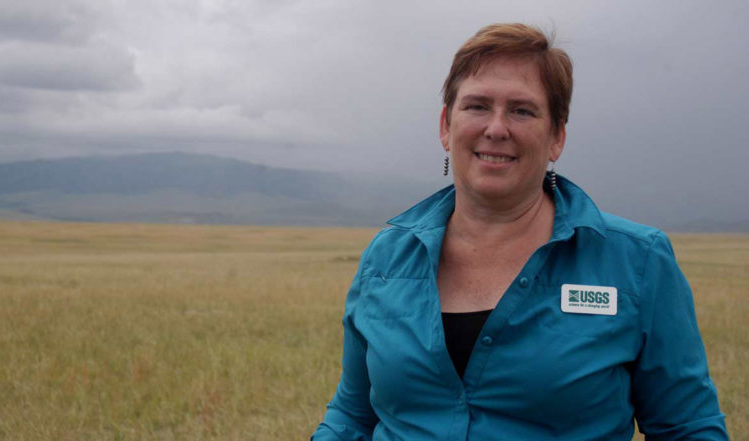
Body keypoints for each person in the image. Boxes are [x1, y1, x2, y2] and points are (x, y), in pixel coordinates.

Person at [312, 23, 728, 440]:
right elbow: (352, 416)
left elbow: (688, 428)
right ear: (446, 125)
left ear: (556, 137)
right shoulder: (386, 258)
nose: (496, 128)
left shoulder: (636, 262)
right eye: (476, 106)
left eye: (522, 110)